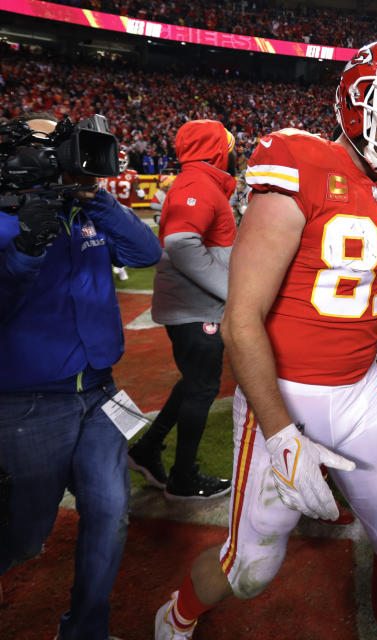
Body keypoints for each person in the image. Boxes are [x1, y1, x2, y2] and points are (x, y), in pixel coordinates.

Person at [152, 37, 377, 640]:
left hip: (361, 390)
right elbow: (242, 316)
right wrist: (280, 431)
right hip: (285, 391)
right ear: (356, 98)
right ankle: (175, 618)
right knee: (252, 568)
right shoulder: (297, 160)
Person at [0, 112, 162, 640]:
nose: (66, 155)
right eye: (53, 146)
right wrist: (25, 247)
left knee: (112, 514)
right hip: (29, 403)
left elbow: (146, 252)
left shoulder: (86, 208)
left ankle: (85, 633)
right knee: (23, 537)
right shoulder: (5, 215)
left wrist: (99, 196)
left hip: (100, 391)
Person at [127, 119, 237, 500]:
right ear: (215, 149)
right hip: (196, 307)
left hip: (194, 305)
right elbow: (180, 244)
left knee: (194, 382)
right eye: (227, 145)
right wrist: (230, 290)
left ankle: (147, 448)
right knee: (202, 387)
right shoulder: (196, 184)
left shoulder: (198, 182)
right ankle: (183, 477)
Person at [98, 149, 147, 280]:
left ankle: (120, 265)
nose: (119, 165)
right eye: (117, 162)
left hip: (125, 210)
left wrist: (139, 192)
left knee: (124, 239)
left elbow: (137, 188)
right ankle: (117, 265)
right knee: (107, 239)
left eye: (122, 162)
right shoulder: (104, 174)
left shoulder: (132, 175)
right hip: (108, 210)